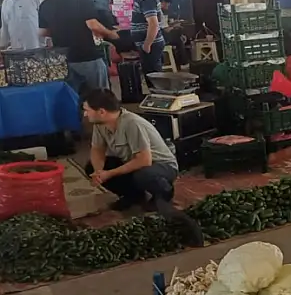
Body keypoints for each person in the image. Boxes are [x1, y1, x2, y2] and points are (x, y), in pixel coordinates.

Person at [82, 89, 204, 247]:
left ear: (102, 111)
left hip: (161, 166)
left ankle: (164, 193)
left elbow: (144, 160)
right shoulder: (100, 125)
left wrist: (109, 173)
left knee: (143, 175)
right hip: (135, 165)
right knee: (91, 167)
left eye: (87, 110)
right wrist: (99, 171)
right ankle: (134, 196)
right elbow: (97, 149)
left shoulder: (132, 124)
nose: (85, 115)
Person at [39, 0, 117, 94]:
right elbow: (92, 25)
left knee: (72, 98)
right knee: (99, 97)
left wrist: (59, 30)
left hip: (62, 60)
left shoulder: (46, 3)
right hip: (86, 57)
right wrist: (111, 34)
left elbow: (42, 32)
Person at [124, 0, 166, 77]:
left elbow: (153, 24)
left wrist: (147, 45)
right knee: (151, 77)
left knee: (154, 79)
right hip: (148, 45)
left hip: (151, 45)